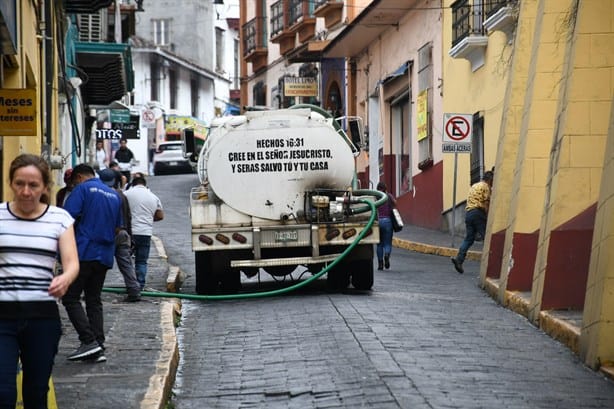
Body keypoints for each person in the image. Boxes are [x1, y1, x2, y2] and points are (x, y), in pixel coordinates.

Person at [0, 154, 79, 408]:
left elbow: (71, 262)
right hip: (2, 316)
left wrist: (65, 278)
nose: (25, 191)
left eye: (33, 185)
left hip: (42, 318)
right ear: (10, 183)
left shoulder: (59, 219)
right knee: (3, 393)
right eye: (19, 183)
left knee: (36, 392)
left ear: (45, 187)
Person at [62, 164, 123, 363]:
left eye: (73, 182)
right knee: (93, 300)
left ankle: (88, 341)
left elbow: (65, 220)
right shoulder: (113, 195)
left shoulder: (82, 189)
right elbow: (118, 228)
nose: (73, 186)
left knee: (70, 298)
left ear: (79, 177)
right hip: (104, 255)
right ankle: (98, 344)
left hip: (84, 252)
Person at [98, 168, 141, 302]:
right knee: (126, 264)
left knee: (99, 265)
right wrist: (130, 237)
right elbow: (128, 217)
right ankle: (134, 290)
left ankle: (94, 291)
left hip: (106, 233)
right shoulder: (122, 195)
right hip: (123, 233)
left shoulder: (100, 195)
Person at [124, 176, 164, 290]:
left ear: (133, 184)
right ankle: (140, 285)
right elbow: (160, 216)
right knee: (141, 261)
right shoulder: (153, 197)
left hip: (129, 233)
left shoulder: (126, 194)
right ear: (145, 185)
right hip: (145, 233)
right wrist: (148, 219)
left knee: (126, 260)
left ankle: (131, 285)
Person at [451, 170, 494, 274]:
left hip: (469, 213)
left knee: (469, 239)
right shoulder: (486, 187)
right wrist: (488, 218)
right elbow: (486, 204)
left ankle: (459, 260)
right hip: (478, 213)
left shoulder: (474, 186)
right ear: (490, 180)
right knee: (487, 238)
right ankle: (491, 265)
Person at [376, 181, 396, 270]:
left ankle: (380, 264)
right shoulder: (389, 196)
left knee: (379, 244)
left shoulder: (375, 197)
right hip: (388, 221)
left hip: (377, 222)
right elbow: (395, 204)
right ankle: (387, 255)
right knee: (387, 243)